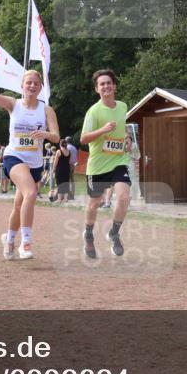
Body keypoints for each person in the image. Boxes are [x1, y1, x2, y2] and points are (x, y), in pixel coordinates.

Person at [0, 53, 60, 261]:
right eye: (29, 83)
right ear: (22, 86)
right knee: (31, 193)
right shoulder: (13, 104)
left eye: (36, 83)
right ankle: (25, 243)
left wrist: (45, 134)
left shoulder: (46, 110)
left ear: (41, 87)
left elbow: (56, 136)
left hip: (34, 163)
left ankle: (9, 239)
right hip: (14, 157)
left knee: (20, 204)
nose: (32, 86)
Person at [80, 69, 132, 258]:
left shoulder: (123, 106)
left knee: (124, 197)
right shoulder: (93, 111)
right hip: (98, 165)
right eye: (102, 84)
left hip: (119, 160)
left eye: (108, 83)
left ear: (114, 86)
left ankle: (114, 233)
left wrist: (126, 137)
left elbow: (122, 127)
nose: (106, 86)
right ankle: (88, 233)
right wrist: (103, 129)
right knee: (95, 203)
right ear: (97, 89)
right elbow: (83, 139)